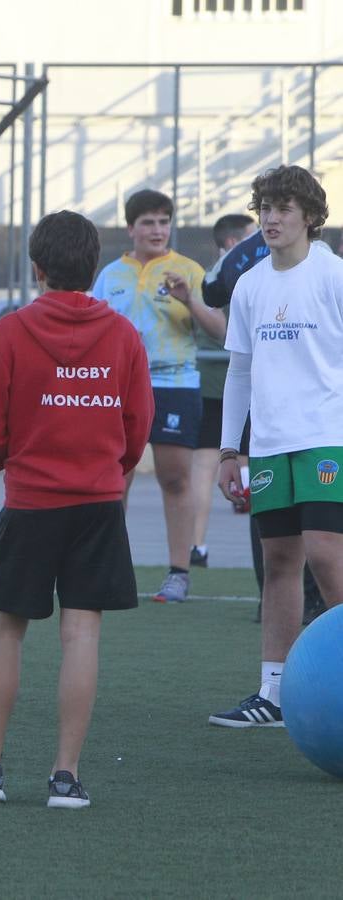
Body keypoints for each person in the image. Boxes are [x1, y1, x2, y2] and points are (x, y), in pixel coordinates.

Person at [0, 210, 153, 809]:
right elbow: (135, 430)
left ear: (36, 268)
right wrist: (106, 469)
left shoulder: (9, 332)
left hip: (31, 502)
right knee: (82, 632)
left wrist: (12, 458)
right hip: (97, 503)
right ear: (95, 267)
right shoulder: (122, 335)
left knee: (5, 631)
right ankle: (66, 776)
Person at [210, 165, 343, 728]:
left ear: (311, 217)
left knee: (326, 555)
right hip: (267, 445)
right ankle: (275, 692)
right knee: (280, 561)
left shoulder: (334, 276)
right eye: (265, 206)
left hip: (326, 438)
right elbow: (239, 372)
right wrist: (227, 451)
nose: (271, 217)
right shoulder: (250, 285)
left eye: (284, 207)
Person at [91, 189, 207, 603]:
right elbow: (90, 328)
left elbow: (222, 329)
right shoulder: (110, 275)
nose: (158, 230)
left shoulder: (189, 270)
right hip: (119, 388)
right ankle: (109, 569)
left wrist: (190, 300)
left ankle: (179, 573)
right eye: (148, 222)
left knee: (174, 478)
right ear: (131, 229)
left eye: (163, 221)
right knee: (113, 477)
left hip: (174, 384)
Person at [187, 214, 256, 568]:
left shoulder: (204, 276)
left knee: (212, 465)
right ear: (233, 244)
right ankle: (202, 546)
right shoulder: (234, 275)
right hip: (227, 382)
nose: (258, 240)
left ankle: (197, 546)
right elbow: (220, 329)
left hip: (219, 381)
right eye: (250, 236)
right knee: (226, 465)